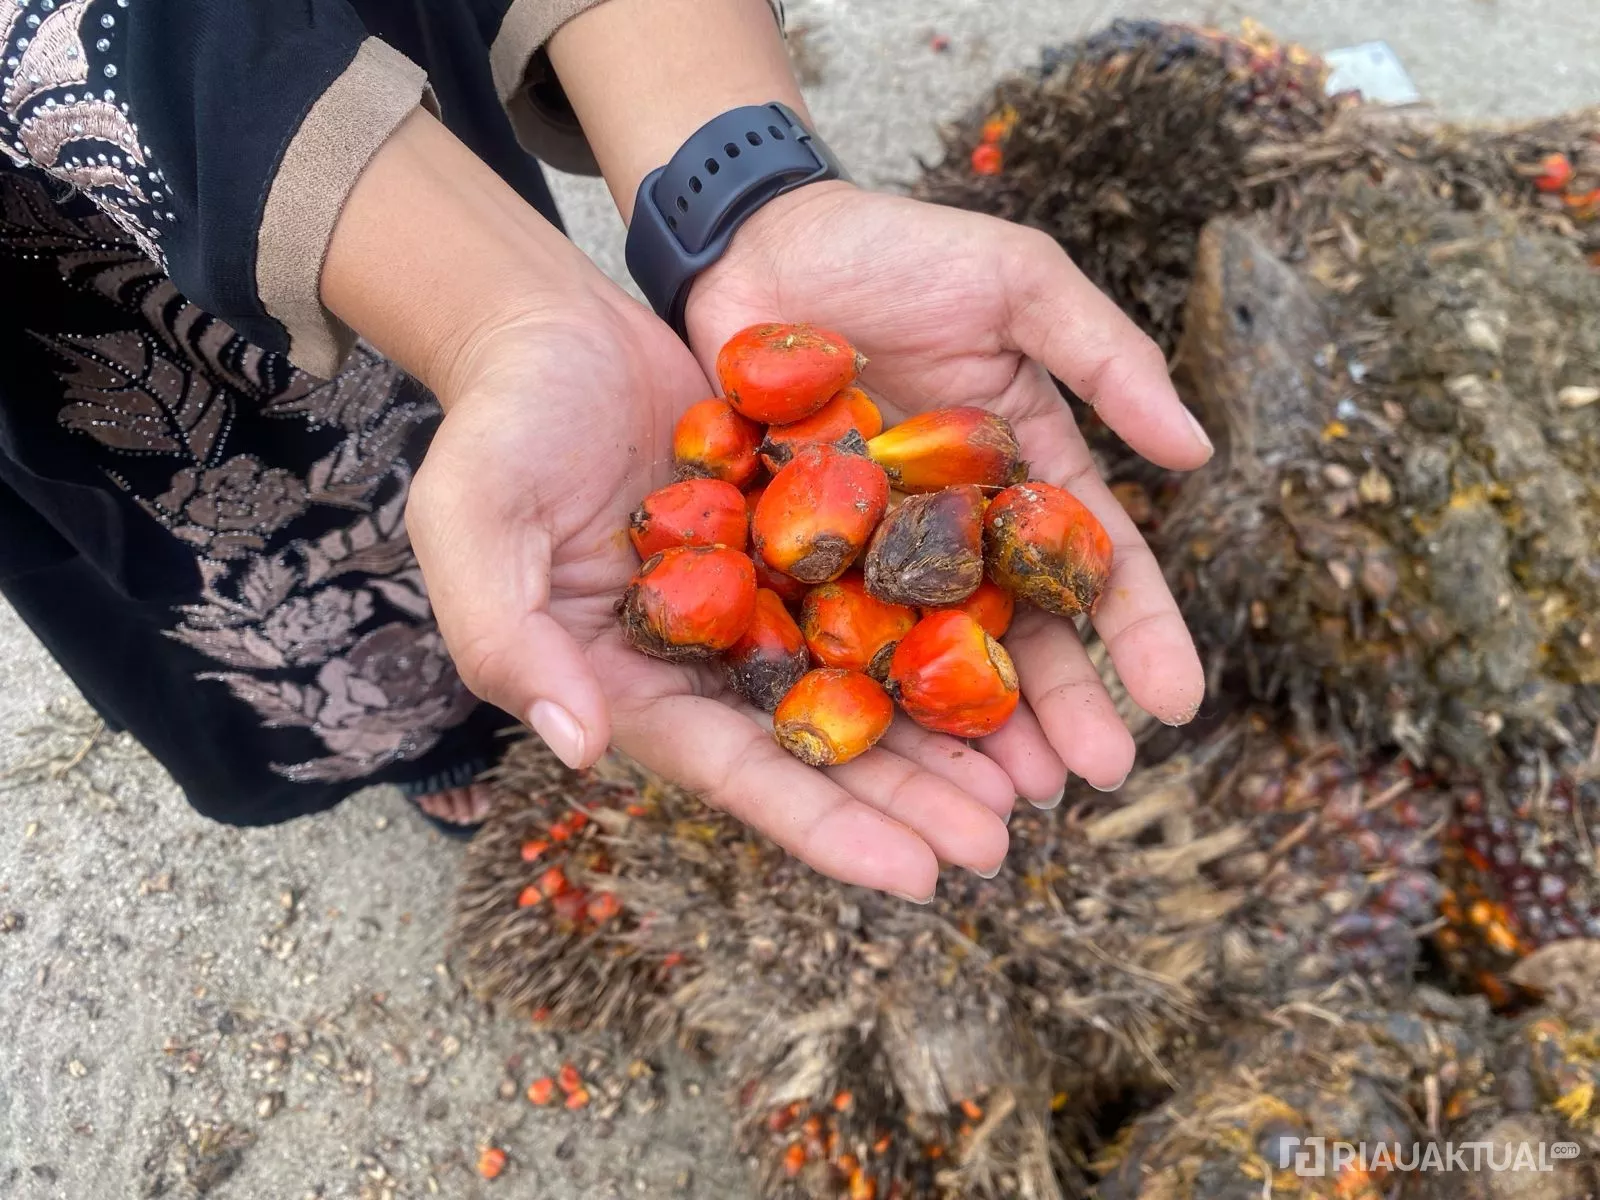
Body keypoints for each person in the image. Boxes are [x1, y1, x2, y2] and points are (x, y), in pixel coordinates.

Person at [0, 0, 1209, 901]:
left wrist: (741, 197)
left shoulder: (802, 505)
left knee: (514, 550)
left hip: (426, 206)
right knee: (254, 601)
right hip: (72, 294)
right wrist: (501, 317)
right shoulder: (794, 508)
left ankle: (467, 724)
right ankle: (428, 747)